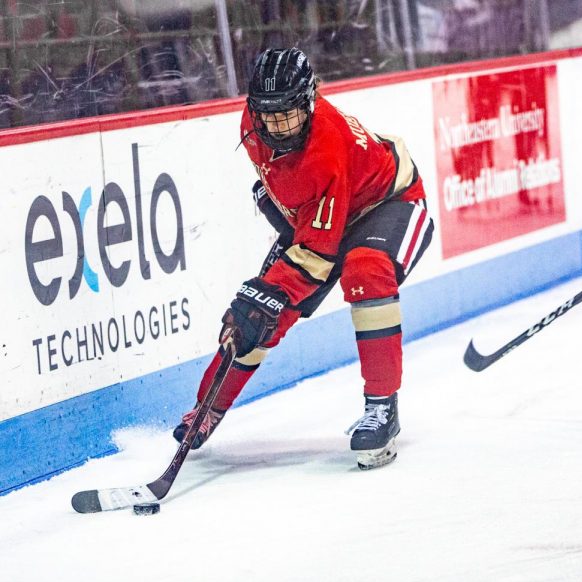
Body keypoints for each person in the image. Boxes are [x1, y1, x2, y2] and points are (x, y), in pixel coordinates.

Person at [173, 47, 433, 469]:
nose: (277, 125)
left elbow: (317, 255)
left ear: (309, 101)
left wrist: (274, 287)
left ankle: (382, 407)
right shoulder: (253, 124)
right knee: (258, 317)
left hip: (389, 203)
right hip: (322, 219)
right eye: (268, 114)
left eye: (288, 113)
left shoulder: (325, 149)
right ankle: (208, 408)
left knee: (365, 270)